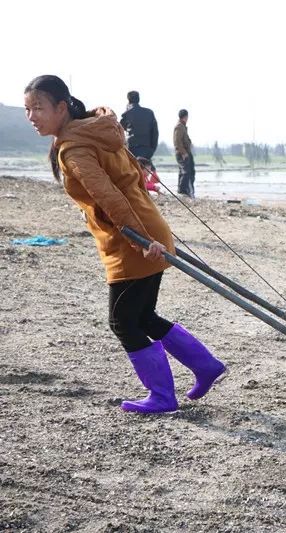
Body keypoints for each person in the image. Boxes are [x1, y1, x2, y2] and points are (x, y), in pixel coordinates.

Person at [24, 75, 226, 414]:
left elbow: (109, 196)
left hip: (134, 240)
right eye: (28, 109)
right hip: (144, 230)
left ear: (61, 107)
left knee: (122, 321)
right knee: (143, 316)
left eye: (39, 108)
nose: (32, 117)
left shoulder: (76, 147)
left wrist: (141, 239)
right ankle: (206, 367)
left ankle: (162, 395)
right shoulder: (96, 129)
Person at [119, 90, 158, 161]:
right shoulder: (149, 112)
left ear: (128, 100)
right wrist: (152, 149)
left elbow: (120, 129)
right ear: (138, 99)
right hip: (147, 149)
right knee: (146, 170)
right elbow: (155, 133)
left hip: (132, 149)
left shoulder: (127, 114)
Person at [173, 109, 195, 198]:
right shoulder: (179, 126)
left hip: (186, 152)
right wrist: (183, 152)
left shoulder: (182, 126)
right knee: (185, 172)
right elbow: (177, 141)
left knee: (185, 172)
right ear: (185, 117)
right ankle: (183, 191)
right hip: (182, 153)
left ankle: (185, 191)